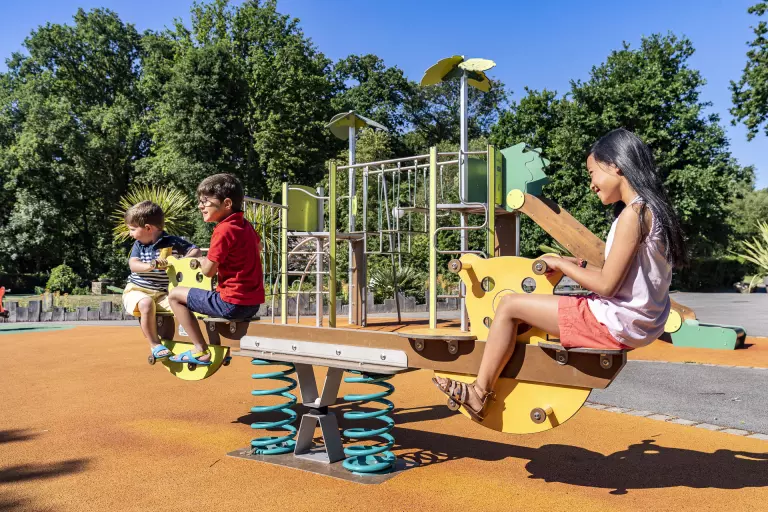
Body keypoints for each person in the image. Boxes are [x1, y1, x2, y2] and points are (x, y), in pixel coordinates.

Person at [433, 128, 688, 421]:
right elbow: (621, 277)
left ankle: (479, 393)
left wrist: (562, 265)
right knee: (527, 313)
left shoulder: (633, 215)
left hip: (616, 322)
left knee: (509, 305)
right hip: (641, 322)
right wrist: (574, 264)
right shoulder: (653, 210)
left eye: (592, 173)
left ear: (615, 165)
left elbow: (607, 285)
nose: (591, 184)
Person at [168, 173, 264, 366]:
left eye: (205, 201)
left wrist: (202, 260)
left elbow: (208, 272)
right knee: (208, 296)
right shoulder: (245, 225)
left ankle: (200, 350)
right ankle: (219, 349)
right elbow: (258, 247)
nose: (200, 206)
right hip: (252, 303)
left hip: (232, 303)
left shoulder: (223, 230)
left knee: (175, 295)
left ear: (226, 203)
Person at [122, 201, 201, 361]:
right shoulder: (139, 245)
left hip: (162, 293)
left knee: (185, 307)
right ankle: (155, 344)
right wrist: (151, 265)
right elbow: (133, 265)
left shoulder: (172, 241)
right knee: (146, 304)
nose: (130, 234)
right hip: (137, 290)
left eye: (132, 229)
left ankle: (200, 344)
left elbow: (196, 251)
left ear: (148, 228)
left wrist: (180, 262)